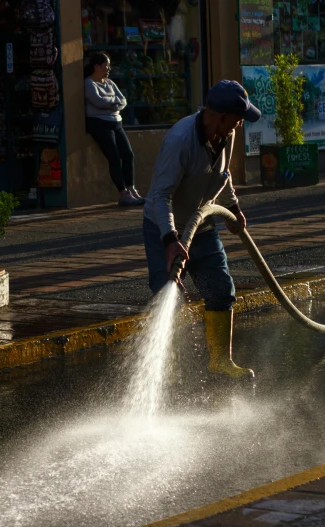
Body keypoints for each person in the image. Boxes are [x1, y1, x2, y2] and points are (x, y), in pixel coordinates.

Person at [142, 80, 262, 379]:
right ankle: (166, 370)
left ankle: (220, 361)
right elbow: (159, 196)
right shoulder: (180, 141)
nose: (240, 123)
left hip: (203, 225)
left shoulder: (226, 133)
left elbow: (222, 175)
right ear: (219, 114)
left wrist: (232, 208)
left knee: (221, 290)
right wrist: (170, 239)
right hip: (164, 228)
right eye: (237, 117)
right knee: (169, 294)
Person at [84, 52, 145, 207]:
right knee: (114, 157)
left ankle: (131, 189)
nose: (109, 69)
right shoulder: (89, 83)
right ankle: (123, 194)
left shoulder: (109, 83)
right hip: (100, 123)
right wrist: (113, 103)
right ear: (97, 66)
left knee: (128, 154)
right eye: (106, 65)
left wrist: (112, 104)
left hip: (116, 122)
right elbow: (98, 101)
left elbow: (123, 100)